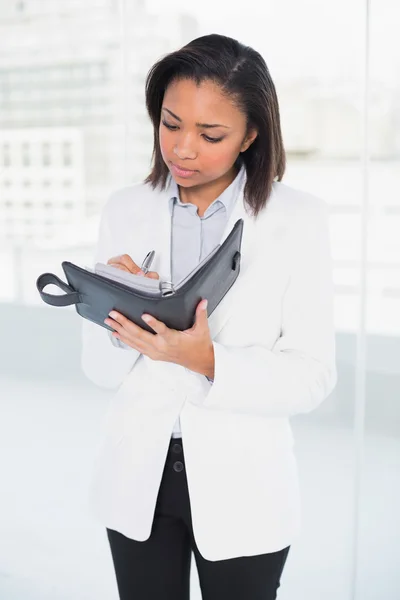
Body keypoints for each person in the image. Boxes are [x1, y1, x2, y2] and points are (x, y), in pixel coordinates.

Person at [81, 33, 337, 600]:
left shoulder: (300, 221)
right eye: (171, 124)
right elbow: (98, 371)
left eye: (210, 134)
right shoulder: (125, 209)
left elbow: (313, 374)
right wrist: (120, 317)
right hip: (138, 479)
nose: (184, 149)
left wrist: (209, 360)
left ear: (251, 134)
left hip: (246, 485)